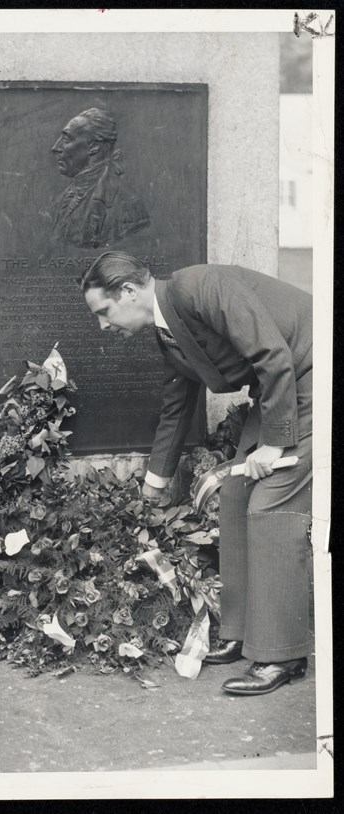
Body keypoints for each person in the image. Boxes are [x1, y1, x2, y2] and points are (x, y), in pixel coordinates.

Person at [80, 251, 313, 696]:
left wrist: (274, 442)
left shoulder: (199, 287)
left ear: (128, 292)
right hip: (280, 385)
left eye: (104, 312)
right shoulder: (167, 329)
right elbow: (176, 404)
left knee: (271, 503)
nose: (103, 326)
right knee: (235, 493)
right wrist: (156, 480)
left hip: (310, 370)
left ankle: (282, 655)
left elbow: (272, 352)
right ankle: (244, 633)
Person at [51, 108, 150, 249]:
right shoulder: (65, 198)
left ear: (94, 146)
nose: (55, 147)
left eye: (66, 139)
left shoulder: (127, 205)